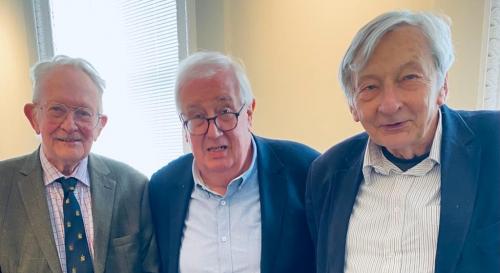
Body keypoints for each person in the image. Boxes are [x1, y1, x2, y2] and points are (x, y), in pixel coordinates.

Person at [306, 10, 500, 273]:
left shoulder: (493, 143)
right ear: (353, 105)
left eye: (409, 78)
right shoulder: (327, 173)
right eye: (369, 87)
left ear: (442, 85)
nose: (389, 104)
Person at [149, 51, 319, 273]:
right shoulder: (162, 189)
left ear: (249, 113)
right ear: (185, 127)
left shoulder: (305, 170)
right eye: (197, 117)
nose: (214, 132)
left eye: (225, 112)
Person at [0, 55, 158, 273]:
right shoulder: (3, 186)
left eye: (83, 113)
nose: (69, 125)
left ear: (99, 126)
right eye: (57, 109)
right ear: (34, 117)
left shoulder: (134, 187)